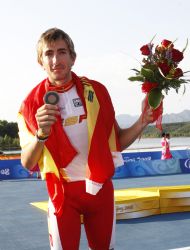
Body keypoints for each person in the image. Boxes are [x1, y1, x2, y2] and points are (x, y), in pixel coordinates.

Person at [17, 28, 155, 250]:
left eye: (62, 52)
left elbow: (117, 141)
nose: (55, 60)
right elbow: (28, 162)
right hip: (63, 195)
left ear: (73, 58)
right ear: (40, 61)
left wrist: (142, 121)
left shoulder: (97, 92)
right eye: (48, 54)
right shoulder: (30, 105)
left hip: (100, 190)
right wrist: (41, 134)